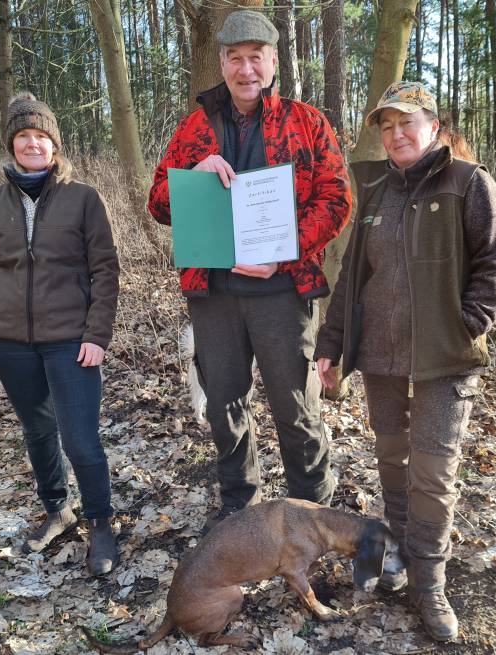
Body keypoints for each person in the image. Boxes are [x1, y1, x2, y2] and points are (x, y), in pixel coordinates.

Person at [314, 81, 496, 641]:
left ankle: (430, 581)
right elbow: (354, 276)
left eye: (407, 123)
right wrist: (331, 345)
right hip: (381, 353)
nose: (396, 134)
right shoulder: (376, 192)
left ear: (433, 127)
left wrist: (469, 321)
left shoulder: (468, 183)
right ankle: (399, 554)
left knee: (433, 469)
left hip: (444, 358)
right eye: (386, 125)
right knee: (393, 457)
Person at [148, 10, 352, 533]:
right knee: (223, 403)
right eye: (235, 58)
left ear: (273, 60)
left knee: (295, 406)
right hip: (213, 291)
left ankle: (313, 512)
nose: (245, 69)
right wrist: (190, 175)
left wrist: (283, 254)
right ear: (221, 62)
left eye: (255, 57)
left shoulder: (307, 122)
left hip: (283, 291)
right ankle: (241, 506)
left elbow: (336, 199)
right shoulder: (195, 127)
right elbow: (158, 203)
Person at [0, 92, 121, 576]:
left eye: (41, 136)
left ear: (55, 145)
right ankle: (57, 509)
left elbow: (105, 270)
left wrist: (97, 334)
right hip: (10, 342)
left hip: (71, 340)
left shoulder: (83, 198)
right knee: (37, 432)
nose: (32, 143)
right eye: (23, 136)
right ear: (11, 145)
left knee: (80, 439)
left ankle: (101, 521)